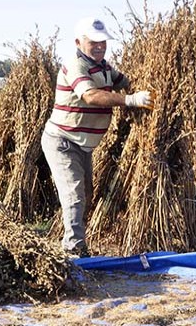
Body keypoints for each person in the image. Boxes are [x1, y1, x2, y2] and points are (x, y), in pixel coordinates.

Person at [41, 17, 154, 258]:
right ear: (78, 42)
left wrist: (151, 83)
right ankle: (73, 251)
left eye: (103, 42)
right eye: (94, 42)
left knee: (87, 194)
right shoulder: (75, 66)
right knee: (74, 194)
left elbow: (125, 81)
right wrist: (130, 100)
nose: (100, 46)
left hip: (83, 145)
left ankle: (75, 240)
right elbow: (90, 96)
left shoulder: (104, 67)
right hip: (62, 140)